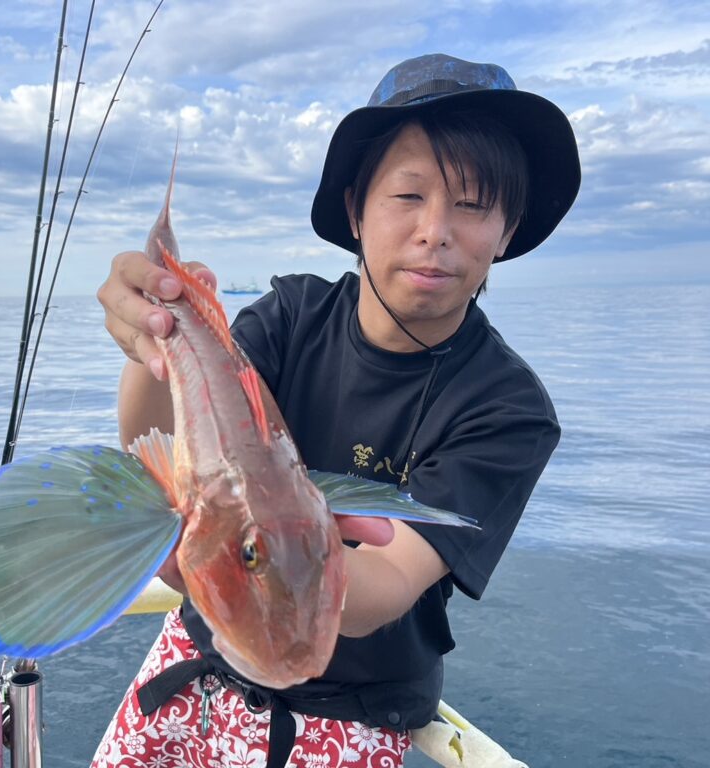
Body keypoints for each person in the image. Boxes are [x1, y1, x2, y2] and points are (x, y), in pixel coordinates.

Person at [92, 53, 580, 768]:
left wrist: (252, 565)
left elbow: (388, 582)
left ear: (507, 232)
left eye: (473, 205)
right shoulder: (292, 314)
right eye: (408, 195)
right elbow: (155, 439)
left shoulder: (506, 408)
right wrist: (150, 337)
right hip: (195, 662)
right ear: (356, 210)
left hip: (346, 712)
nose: (435, 230)